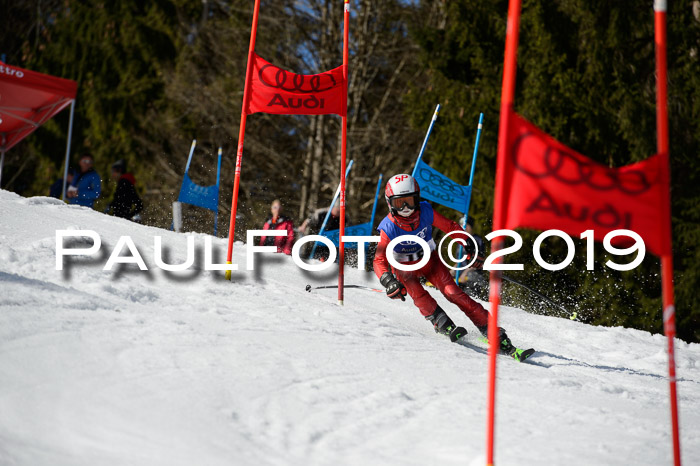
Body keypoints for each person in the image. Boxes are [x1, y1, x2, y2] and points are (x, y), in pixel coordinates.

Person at [372, 173, 527, 358]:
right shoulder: (388, 228)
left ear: (418, 198)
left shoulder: (426, 211)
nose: (406, 208)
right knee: (419, 294)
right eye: (400, 203)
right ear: (390, 203)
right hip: (405, 268)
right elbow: (379, 260)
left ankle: (491, 329)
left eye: (410, 201)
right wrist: (388, 280)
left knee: (454, 293)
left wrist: (469, 245)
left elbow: (450, 227)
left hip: (430, 261)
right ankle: (440, 321)